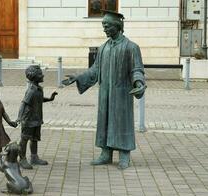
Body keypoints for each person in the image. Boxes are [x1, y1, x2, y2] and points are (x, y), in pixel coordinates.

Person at [62, 10, 146, 169]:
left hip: (122, 94)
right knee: (105, 121)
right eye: (103, 26)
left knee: (121, 123)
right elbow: (95, 70)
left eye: (107, 26)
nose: (104, 29)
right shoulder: (102, 49)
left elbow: (137, 69)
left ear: (117, 26)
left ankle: (124, 155)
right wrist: (79, 77)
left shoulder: (131, 47)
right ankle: (105, 153)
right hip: (105, 94)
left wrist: (139, 83)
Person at [17, 65, 58, 169]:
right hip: (28, 119)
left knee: (34, 138)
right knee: (24, 139)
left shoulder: (38, 89)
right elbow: (24, 104)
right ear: (34, 76)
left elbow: (39, 99)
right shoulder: (31, 90)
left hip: (36, 118)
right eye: (40, 74)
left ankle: (34, 157)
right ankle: (22, 159)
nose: (42, 75)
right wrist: (19, 117)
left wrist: (50, 99)